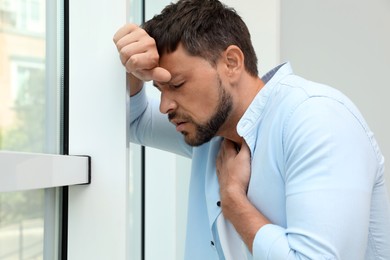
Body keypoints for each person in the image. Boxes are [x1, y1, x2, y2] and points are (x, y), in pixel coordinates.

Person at [113, 0, 390, 259]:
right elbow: (131, 121)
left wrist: (234, 201)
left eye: (177, 85)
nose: (165, 106)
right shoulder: (213, 129)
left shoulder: (317, 120)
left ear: (231, 63)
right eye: (160, 90)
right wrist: (131, 69)